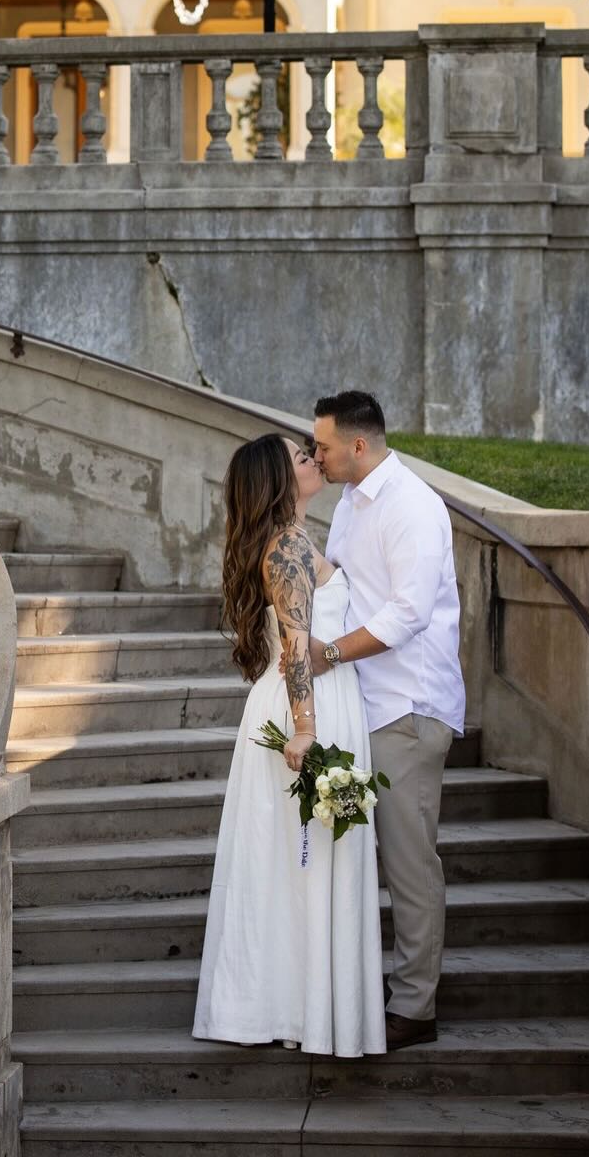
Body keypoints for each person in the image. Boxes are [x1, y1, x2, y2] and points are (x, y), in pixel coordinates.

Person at [192, 434, 385, 1057]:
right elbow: (297, 644)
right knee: (300, 863)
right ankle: (283, 1007)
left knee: (309, 861)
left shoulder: (298, 540)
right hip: (306, 713)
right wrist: (305, 728)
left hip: (327, 705)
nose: (312, 459)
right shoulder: (286, 548)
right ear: (278, 478)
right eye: (299, 457)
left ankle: (305, 1007)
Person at [303, 390, 465, 1052]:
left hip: (407, 711)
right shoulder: (349, 502)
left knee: (407, 864)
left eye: (325, 446)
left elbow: (408, 614)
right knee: (345, 856)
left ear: (360, 445)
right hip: (357, 709)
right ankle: (350, 994)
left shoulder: (413, 507)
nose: (318, 455)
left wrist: (330, 653)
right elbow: (340, 584)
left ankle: (415, 1007)